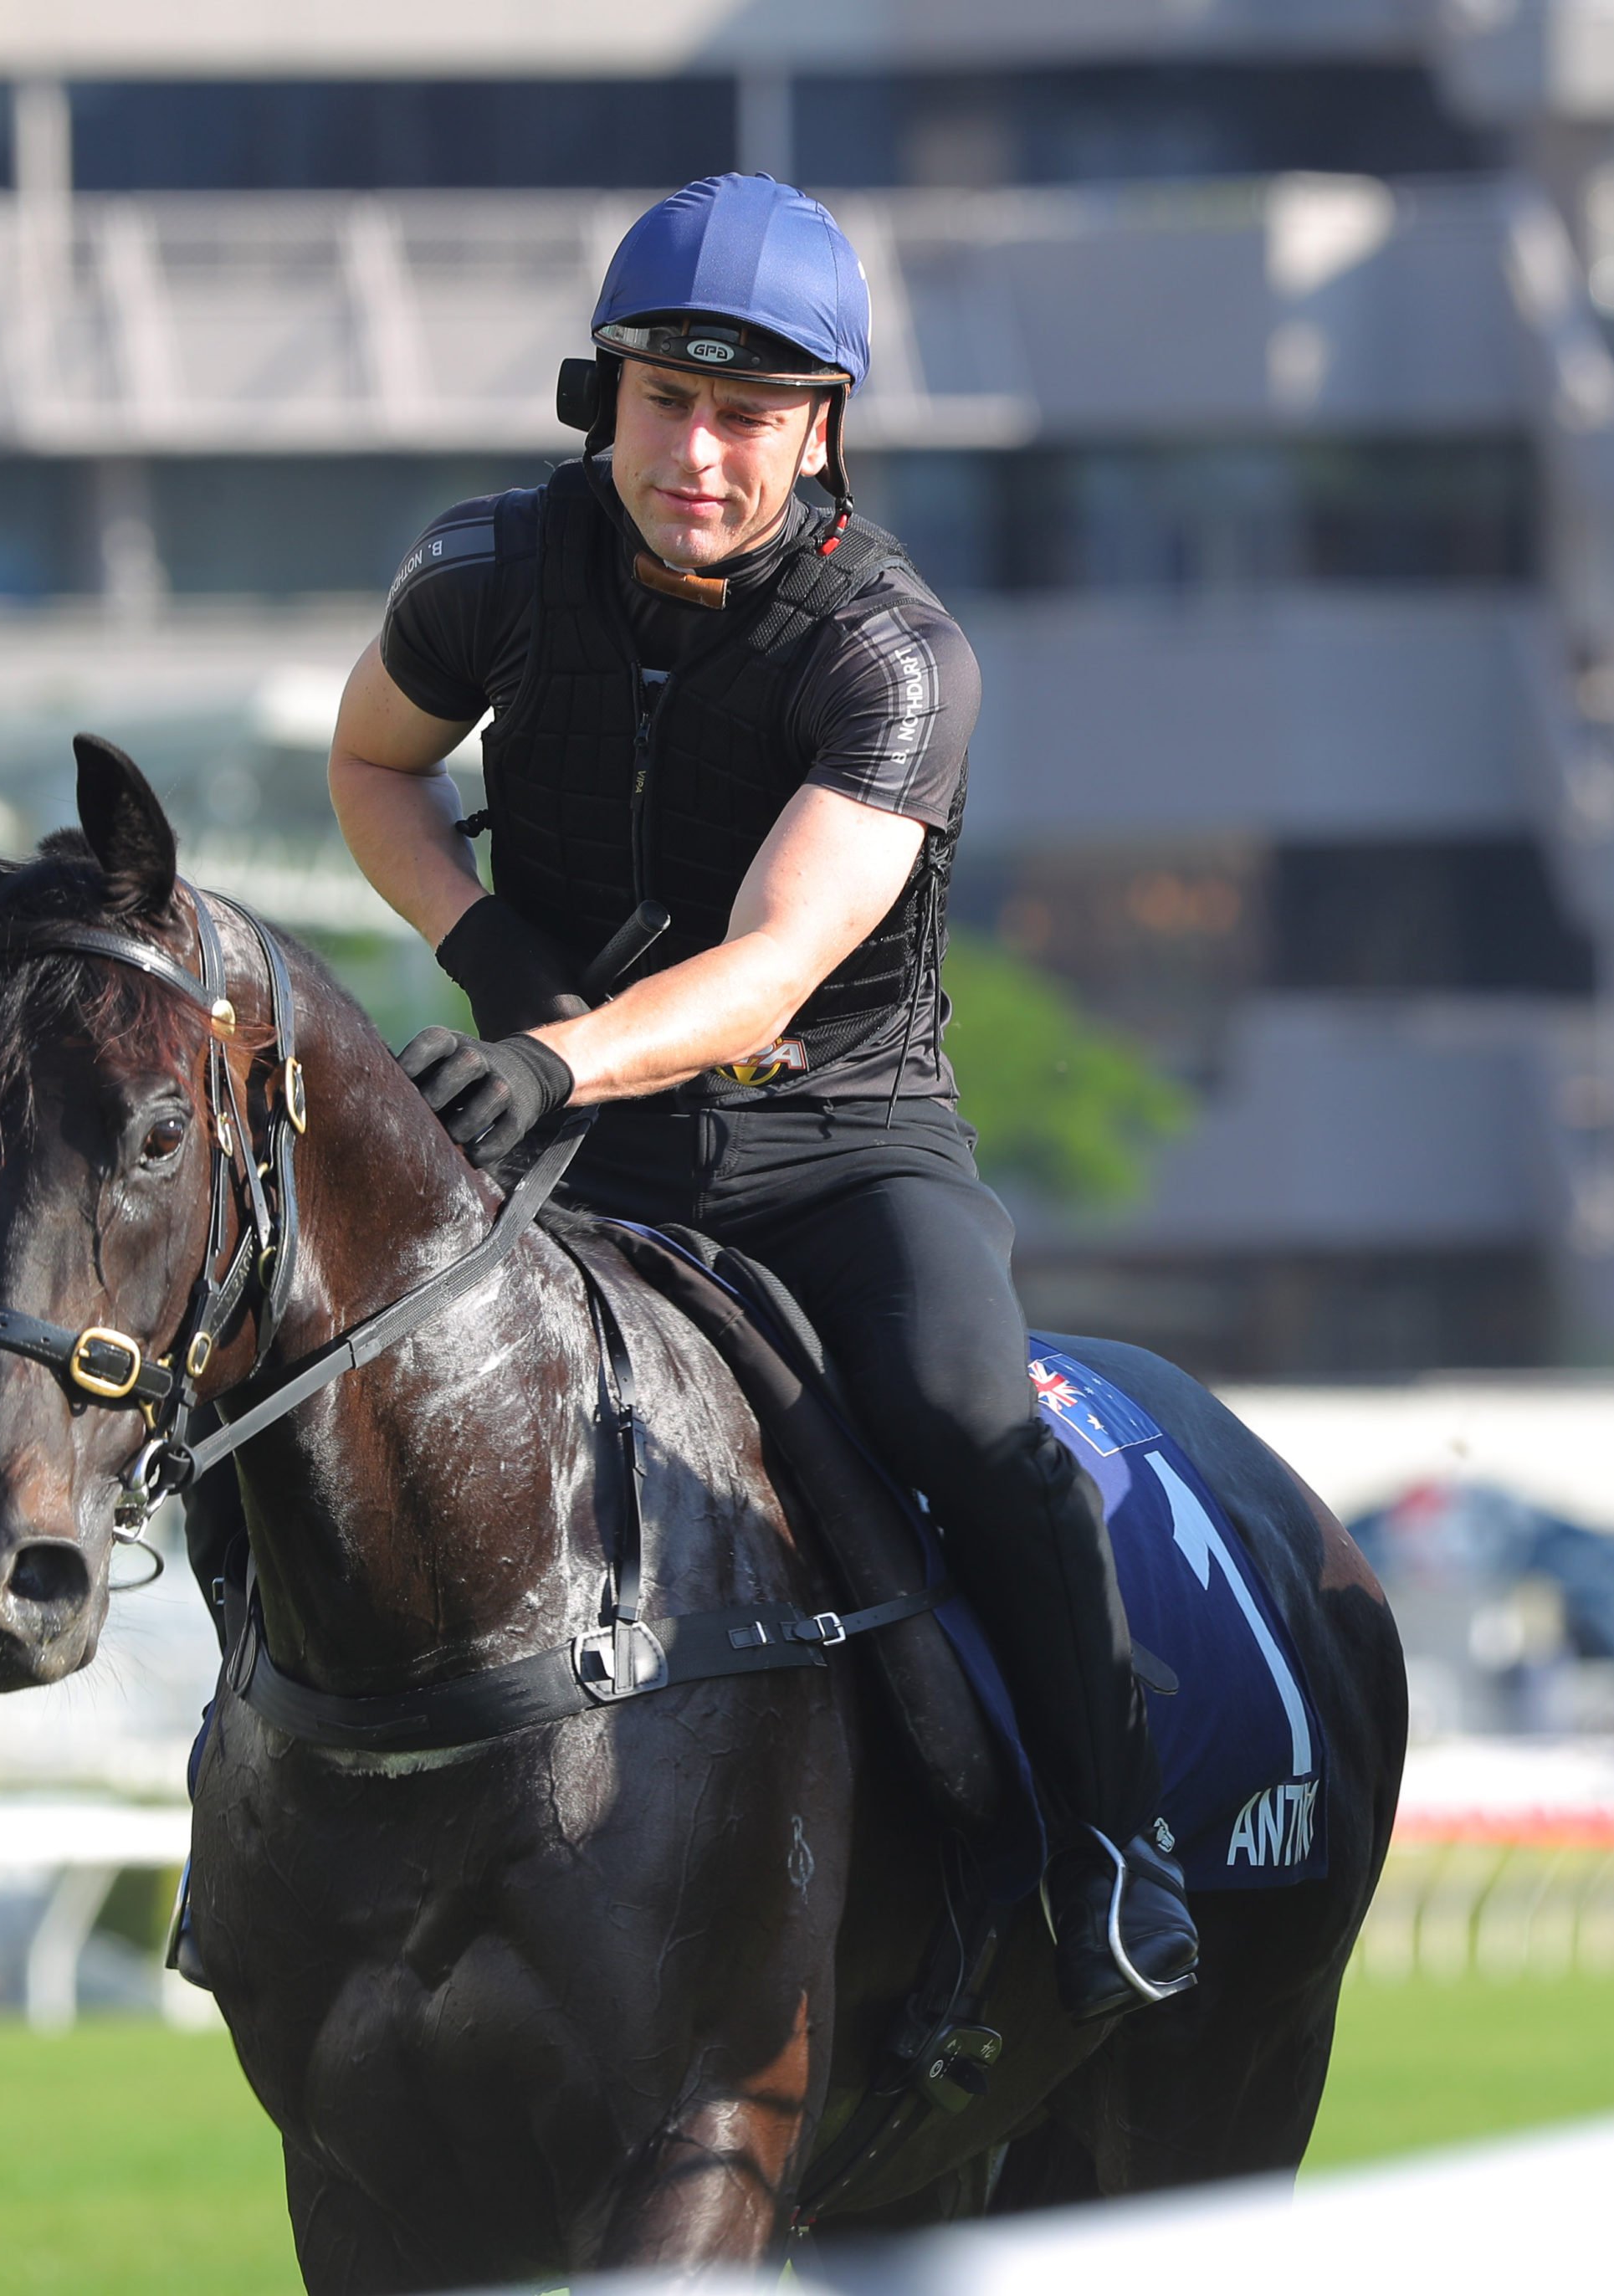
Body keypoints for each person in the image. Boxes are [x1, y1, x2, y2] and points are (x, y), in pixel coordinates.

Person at [320, 173, 1195, 2020]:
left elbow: (775, 964)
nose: (697, 455)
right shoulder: (480, 572)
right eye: (664, 403)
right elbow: (371, 763)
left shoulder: (894, 652)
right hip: (569, 1132)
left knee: (967, 1412)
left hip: (836, 1143)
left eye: (747, 416)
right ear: (599, 400)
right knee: (343, 1392)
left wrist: (552, 1050)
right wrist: (488, 952)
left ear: (821, 433)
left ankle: (1115, 1844)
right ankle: (284, 1833)